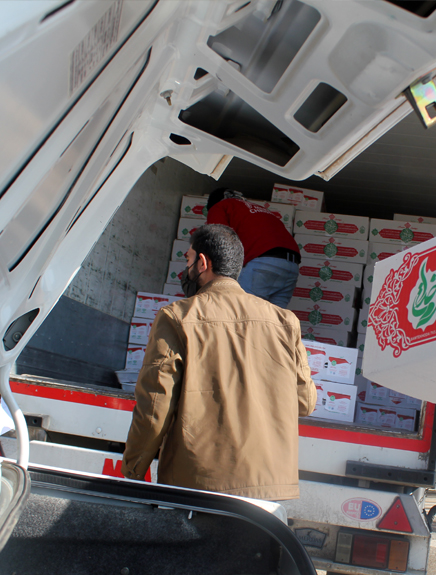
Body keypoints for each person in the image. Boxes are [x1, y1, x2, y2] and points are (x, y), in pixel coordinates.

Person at [122, 223, 317, 500]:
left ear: (203, 263)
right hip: (271, 487)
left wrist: (133, 469)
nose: (186, 268)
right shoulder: (285, 321)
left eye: (188, 259)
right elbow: (305, 403)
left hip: (200, 484)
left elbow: (156, 404)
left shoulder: (177, 316)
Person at [205, 188, 302, 307]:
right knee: (273, 321)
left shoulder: (220, 206)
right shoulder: (258, 209)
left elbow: (218, 241)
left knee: (242, 313)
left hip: (264, 263)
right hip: (291, 266)